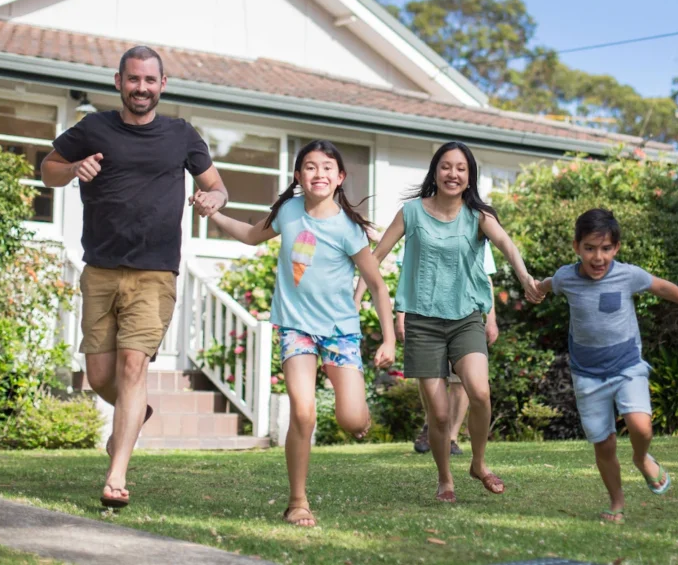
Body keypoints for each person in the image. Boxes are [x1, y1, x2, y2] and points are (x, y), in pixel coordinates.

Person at [41, 46, 229, 509]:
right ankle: (137, 411)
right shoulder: (93, 128)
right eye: (133, 79)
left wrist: (214, 201)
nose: (141, 88)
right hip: (101, 268)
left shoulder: (182, 135)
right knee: (100, 373)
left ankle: (116, 474)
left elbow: (218, 185)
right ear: (118, 81)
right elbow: (47, 171)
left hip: (154, 271)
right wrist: (73, 168)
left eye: (150, 80)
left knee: (133, 365)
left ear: (163, 85)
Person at [193, 139, 395, 528]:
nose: (318, 174)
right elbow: (252, 235)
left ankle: (358, 418)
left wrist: (388, 339)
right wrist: (213, 215)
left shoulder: (349, 229)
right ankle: (297, 501)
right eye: (310, 167)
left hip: (339, 332)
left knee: (352, 421)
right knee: (302, 412)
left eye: (326, 168)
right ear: (299, 175)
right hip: (296, 328)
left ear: (340, 178)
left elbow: (377, 286)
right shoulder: (287, 211)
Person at [356, 141, 542, 502]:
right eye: (445, 166)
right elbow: (376, 257)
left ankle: (478, 463)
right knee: (439, 416)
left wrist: (525, 278)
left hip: (466, 318)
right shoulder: (411, 213)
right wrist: (356, 299)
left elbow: (505, 244)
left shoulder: (479, 216)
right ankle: (445, 479)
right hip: (423, 321)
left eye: (460, 168)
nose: (452, 174)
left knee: (481, 391)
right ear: (435, 172)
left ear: (469, 175)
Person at [535, 208, 678, 524]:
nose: (598, 257)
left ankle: (642, 458)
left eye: (605, 249)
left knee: (641, 425)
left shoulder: (628, 275)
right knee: (603, 444)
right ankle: (616, 503)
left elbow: (661, 287)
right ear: (576, 247)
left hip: (627, 366)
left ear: (616, 248)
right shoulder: (567, 277)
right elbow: (550, 283)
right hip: (587, 375)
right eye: (589, 248)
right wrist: (537, 288)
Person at [410, 242, 499, 456]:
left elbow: (485, 277)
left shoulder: (475, 229)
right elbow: (410, 273)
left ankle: (451, 436)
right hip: (427, 314)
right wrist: (402, 313)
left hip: (466, 316)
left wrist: (492, 318)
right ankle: (431, 424)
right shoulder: (420, 226)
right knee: (431, 375)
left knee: (462, 380)